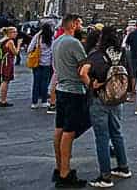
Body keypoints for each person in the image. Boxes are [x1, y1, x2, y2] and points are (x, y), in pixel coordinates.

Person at [81, 25, 132, 187]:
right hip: (117, 98)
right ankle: (123, 167)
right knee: (117, 132)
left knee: (102, 138)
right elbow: (130, 74)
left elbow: (83, 72)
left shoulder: (97, 54)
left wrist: (92, 85)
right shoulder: (123, 53)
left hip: (100, 99)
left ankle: (105, 176)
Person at [53, 14, 91, 188]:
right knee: (69, 131)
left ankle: (59, 167)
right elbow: (83, 69)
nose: (82, 26)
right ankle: (65, 174)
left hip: (61, 90)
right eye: (80, 23)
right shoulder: (74, 43)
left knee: (60, 129)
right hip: (74, 91)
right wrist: (92, 86)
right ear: (74, 24)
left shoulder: (58, 41)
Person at [28, 23, 55, 109]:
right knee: (45, 83)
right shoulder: (51, 38)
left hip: (37, 63)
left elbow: (30, 49)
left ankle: (34, 102)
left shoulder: (38, 37)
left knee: (36, 83)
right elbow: (53, 51)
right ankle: (44, 101)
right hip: (47, 63)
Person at [0, 26, 20, 107]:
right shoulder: (10, 41)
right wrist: (18, 44)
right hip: (7, 62)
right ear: (10, 33)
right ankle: (3, 101)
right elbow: (16, 53)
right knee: (5, 81)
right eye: (14, 32)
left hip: (1, 62)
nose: (16, 33)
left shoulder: (1, 40)